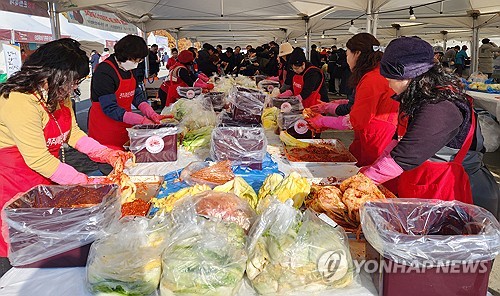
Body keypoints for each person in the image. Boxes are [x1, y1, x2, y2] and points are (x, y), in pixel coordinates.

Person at [0, 38, 130, 264]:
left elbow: (73, 134)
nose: (75, 87)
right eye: (73, 81)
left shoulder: (58, 95)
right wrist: (84, 182)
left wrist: (105, 153)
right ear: (53, 74)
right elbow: (38, 158)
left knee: (49, 245)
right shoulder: (19, 100)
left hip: (47, 178)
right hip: (15, 184)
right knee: (23, 252)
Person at [361, 37, 500, 212]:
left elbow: (405, 155)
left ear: (409, 76)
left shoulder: (440, 106)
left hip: (459, 193)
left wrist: (362, 181)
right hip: (428, 187)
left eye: (391, 78)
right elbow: (399, 141)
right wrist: (371, 168)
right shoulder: (418, 97)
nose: (388, 85)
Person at [306, 33, 399, 171]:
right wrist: (330, 106)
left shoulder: (371, 79)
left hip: (376, 139)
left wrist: (322, 121)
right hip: (380, 133)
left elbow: (355, 121)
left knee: (370, 177)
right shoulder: (377, 72)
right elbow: (359, 103)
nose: (347, 60)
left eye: (347, 55)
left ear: (357, 54)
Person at [88, 35, 167, 151]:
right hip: (105, 127)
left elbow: (136, 94)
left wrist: (149, 112)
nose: (137, 64)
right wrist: (141, 120)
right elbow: (110, 108)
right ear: (125, 55)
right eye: (136, 60)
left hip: (125, 124)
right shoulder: (104, 72)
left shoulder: (130, 68)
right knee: (109, 164)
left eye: (139, 61)